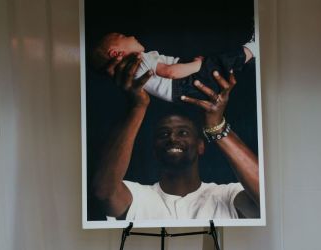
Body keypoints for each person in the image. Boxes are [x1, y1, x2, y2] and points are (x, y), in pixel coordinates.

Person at [92, 54, 260, 220]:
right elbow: (104, 193)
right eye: (163, 134)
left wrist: (216, 126)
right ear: (154, 149)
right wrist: (138, 106)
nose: (172, 138)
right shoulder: (137, 196)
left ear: (201, 146)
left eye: (183, 132)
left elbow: (266, 198)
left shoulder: (228, 195)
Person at [90, 32, 259, 102]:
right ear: (115, 53)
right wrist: (198, 65)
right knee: (217, 62)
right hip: (181, 83)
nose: (132, 36)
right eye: (124, 36)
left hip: (180, 90)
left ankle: (248, 56)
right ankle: (252, 48)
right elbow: (170, 72)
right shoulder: (140, 60)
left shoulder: (132, 70)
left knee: (219, 68)